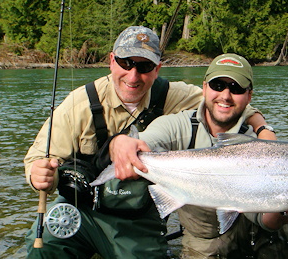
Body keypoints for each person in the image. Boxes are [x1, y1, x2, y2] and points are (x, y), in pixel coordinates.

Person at [24, 26, 274, 258]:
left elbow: (226, 102)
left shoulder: (175, 95)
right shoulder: (78, 104)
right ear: (111, 61)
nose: (133, 76)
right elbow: (37, 159)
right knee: (43, 246)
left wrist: (263, 130)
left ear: (157, 69)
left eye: (144, 67)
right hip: (81, 209)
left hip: (137, 220)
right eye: (125, 63)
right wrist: (39, 176)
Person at [109, 53, 288, 258]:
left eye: (236, 88)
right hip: (205, 241)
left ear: (249, 96)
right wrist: (121, 143)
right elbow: (142, 143)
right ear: (204, 88)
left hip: (263, 236)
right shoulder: (176, 126)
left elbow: (267, 222)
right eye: (218, 85)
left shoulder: (262, 144)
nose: (225, 96)